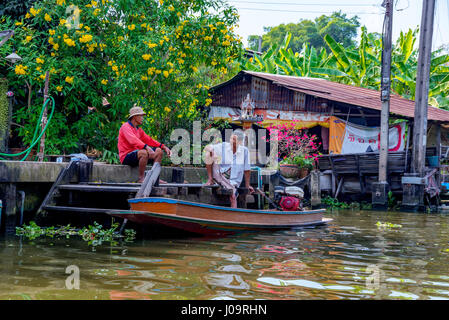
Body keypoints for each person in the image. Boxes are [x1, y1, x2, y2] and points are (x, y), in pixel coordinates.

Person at [118, 105, 171, 183]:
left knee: (159, 151)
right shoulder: (125, 127)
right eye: (141, 116)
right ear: (135, 117)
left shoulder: (139, 130)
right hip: (126, 156)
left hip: (138, 155)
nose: (143, 118)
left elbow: (149, 140)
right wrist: (147, 147)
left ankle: (155, 178)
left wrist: (163, 146)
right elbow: (133, 140)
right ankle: (141, 178)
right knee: (144, 152)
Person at [204, 130, 254, 208]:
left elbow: (247, 170)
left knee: (233, 196)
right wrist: (211, 151)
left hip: (233, 181)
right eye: (231, 138)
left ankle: (234, 216)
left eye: (234, 139)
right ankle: (210, 179)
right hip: (220, 175)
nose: (231, 141)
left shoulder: (244, 151)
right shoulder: (224, 146)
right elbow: (207, 147)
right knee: (208, 154)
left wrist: (247, 185)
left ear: (240, 142)